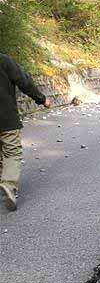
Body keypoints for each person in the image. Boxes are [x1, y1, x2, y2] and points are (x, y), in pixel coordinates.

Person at [0, 53, 50, 211]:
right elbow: (24, 82)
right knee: (12, 152)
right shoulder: (4, 60)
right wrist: (41, 99)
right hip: (6, 118)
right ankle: (8, 185)